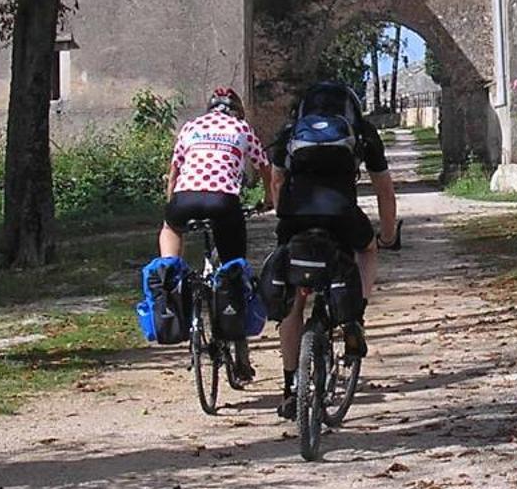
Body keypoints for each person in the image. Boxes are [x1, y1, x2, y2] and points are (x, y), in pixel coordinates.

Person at [268, 81, 397, 419]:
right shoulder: (361, 130)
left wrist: (283, 215)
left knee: (293, 302)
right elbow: (384, 189)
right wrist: (386, 234)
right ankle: (356, 315)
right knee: (366, 250)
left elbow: (277, 180)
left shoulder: (291, 130)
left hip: (295, 218)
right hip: (341, 215)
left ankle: (291, 386)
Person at [160, 87, 275, 377]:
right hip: (223, 202)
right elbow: (265, 168)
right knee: (233, 273)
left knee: (170, 227)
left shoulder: (191, 127)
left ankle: (169, 273)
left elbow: (174, 174)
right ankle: (242, 356)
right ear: (236, 109)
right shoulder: (241, 128)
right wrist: (270, 199)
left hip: (185, 199)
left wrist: (172, 206)